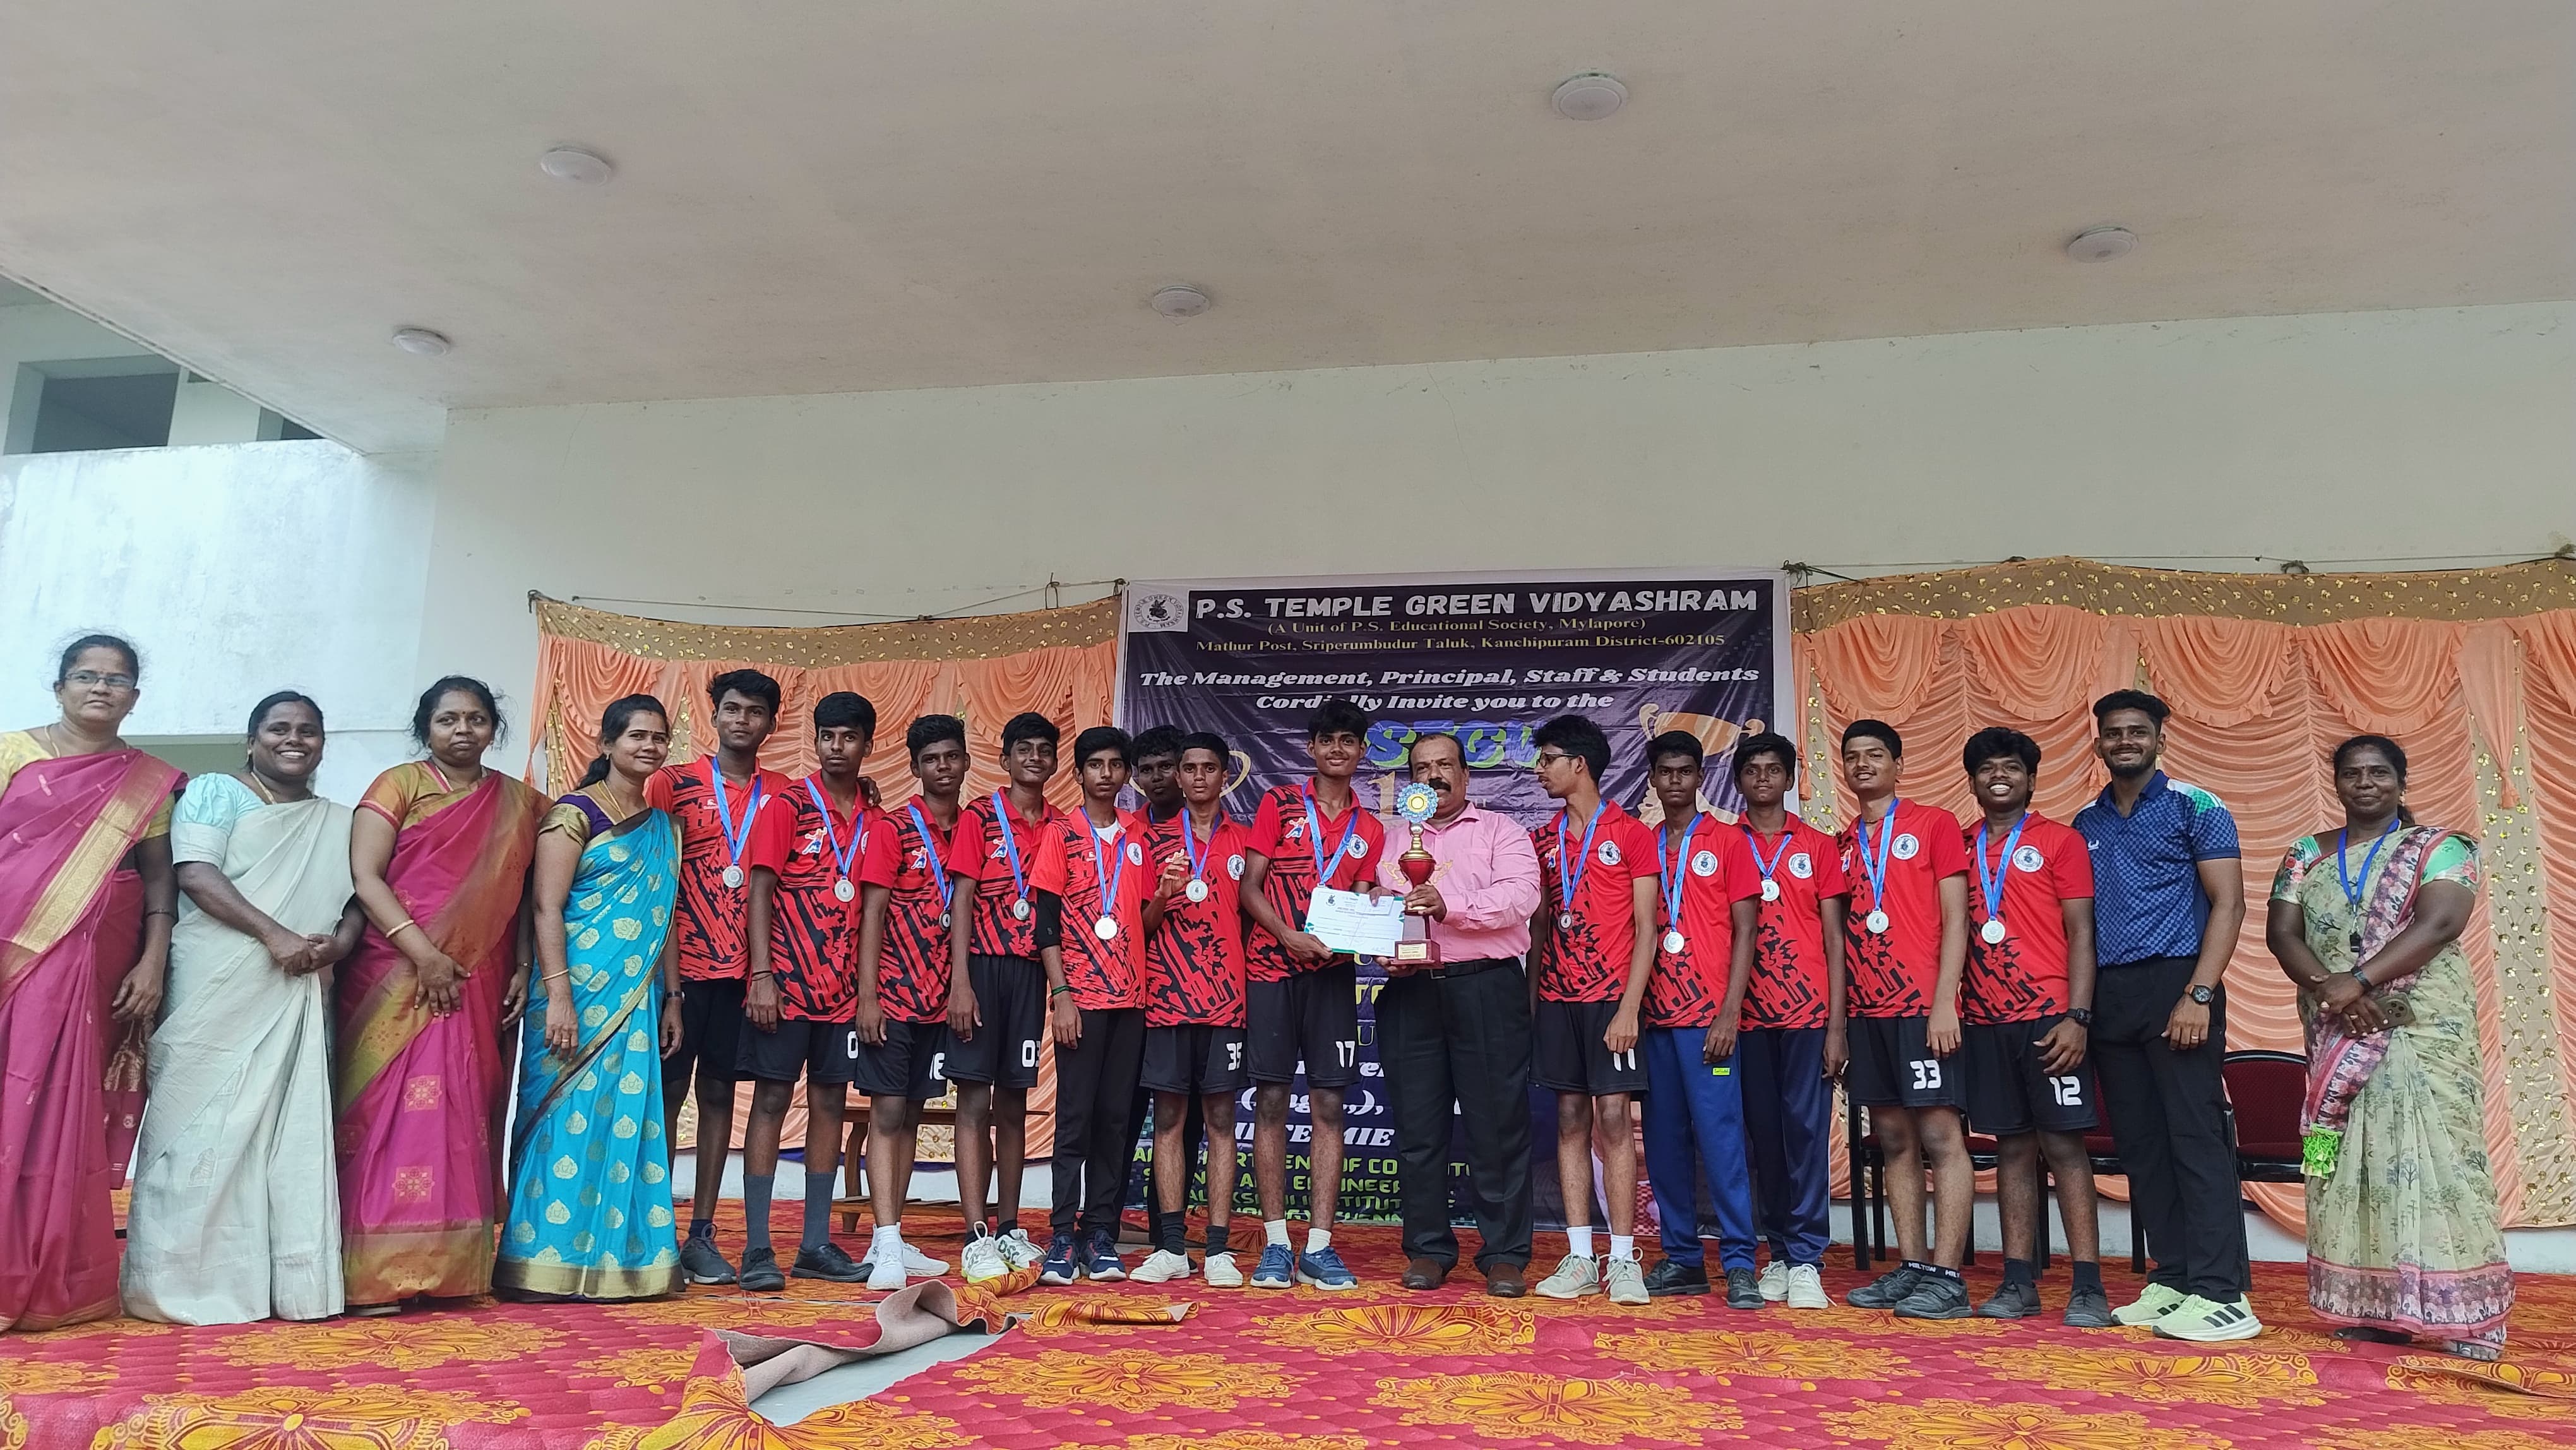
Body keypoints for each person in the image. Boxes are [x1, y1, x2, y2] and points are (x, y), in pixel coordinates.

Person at [2267, 735, 2510, 1360]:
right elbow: (2282, 933)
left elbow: (2441, 923)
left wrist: (2360, 979)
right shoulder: (2306, 853)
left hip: (2422, 1026)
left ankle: (2467, 1318)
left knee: (2442, 1158)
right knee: (2352, 1162)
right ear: (2337, 783)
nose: (2365, 783)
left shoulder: (2443, 847)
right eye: (2353, 773)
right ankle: (2374, 1309)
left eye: (2379, 772)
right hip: (2335, 1025)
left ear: (2402, 783)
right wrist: (2333, 988)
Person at [124, 691, 361, 1325]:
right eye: (279, 728)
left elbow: (359, 897)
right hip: (217, 977)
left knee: (283, 1131)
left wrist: (338, 945)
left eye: (308, 730)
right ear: (252, 740)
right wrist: (274, 935)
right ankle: (176, 1284)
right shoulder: (214, 792)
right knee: (199, 1125)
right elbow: (196, 874)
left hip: (296, 984)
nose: (294, 739)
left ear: (322, 743)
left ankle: (278, 1286)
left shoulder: (336, 819)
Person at [338, 676, 544, 1312]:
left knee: (461, 1111)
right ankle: (374, 1273)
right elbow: (366, 878)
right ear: (425, 727)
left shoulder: (520, 803)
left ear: (493, 729)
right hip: (395, 974)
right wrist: (424, 955)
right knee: (385, 1116)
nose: (463, 730)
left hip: (479, 976)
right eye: (448, 719)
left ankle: (451, 1269)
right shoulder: (397, 786)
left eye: (476, 719)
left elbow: (528, 895)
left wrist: (524, 965)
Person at [0, 637, 182, 1331]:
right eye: (86, 675)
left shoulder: (146, 782)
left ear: (134, 697)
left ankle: (45, 1274)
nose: (101, 687)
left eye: (117, 679)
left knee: (59, 1110)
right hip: (12, 952)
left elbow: (159, 879)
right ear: (59, 687)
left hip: (95, 966)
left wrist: (153, 960)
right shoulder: (12, 753)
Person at [2074, 690, 2257, 1342]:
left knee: (2194, 1137)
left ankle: (2223, 1293)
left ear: (2158, 739)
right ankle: (2175, 1277)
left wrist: (2199, 994)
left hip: (2179, 983)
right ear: (2099, 743)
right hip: (2112, 994)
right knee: (2142, 1145)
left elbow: (2229, 904)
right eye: (2113, 733)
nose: (2125, 741)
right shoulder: (2086, 821)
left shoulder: (2196, 806)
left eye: (2137, 731)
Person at [495, 695, 686, 1302]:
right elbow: (545, 907)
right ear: (607, 744)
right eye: (637, 736)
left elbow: (665, 919)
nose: (650, 746)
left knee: (626, 1121)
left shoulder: (663, 828)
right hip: (573, 996)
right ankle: (538, 1261)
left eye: (659, 737)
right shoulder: (574, 814)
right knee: (560, 1121)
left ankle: (621, 1263)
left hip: (636, 1000)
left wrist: (673, 997)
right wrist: (559, 997)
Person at [737, 692, 898, 1290]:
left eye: (849, 737)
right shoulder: (788, 805)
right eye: (827, 737)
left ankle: (814, 1245)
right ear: (817, 741)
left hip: (842, 995)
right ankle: (757, 1248)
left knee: (830, 1105)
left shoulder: (878, 821)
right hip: (783, 986)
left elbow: (875, 912)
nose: (837, 748)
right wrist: (761, 976)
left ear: (867, 744)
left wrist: (867, 995)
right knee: (771, 1103)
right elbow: (759, 890)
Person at [1373, 731, 1541, 1298]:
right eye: (1422, 768)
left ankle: (1505, 1254)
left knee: (1497, 1127)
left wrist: (1452, 907)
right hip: (1411, 994)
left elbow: (1521, 897)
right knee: (1418, 1130)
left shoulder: (1501, 831)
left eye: (1445, 765)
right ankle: (1427, 1248)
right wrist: (1384, 951)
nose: (1434, 776)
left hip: (1486, 988)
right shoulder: (1392, 840)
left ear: (1466, 776)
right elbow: (1378, 909)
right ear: (1410, 781)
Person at [1954, 728, 2109, 1328]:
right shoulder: (1960, 846)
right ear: (1973, 781)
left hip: (2050, 1018)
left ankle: (2089, 1286)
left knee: (2064, 1146)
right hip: (1984, 1018)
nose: (2000, 776)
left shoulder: (2059, 841)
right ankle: (2018, 1281)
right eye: (1988, 768)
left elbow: (2082, 933)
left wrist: (2078, 1016)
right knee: (2012, 1148)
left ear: (2032, 779)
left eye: (2012, 767)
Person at [644, 669, 792, 1286]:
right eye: (732, 708)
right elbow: (652, 878)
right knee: (665, 1095)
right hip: (677, 972)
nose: (741, 720)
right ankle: (653, 1228)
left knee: (718, 1096)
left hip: (743, 975)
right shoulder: (671, 784)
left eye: (754, 712)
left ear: (770, 724)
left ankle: (701, 1234)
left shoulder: (785, 793)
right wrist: (670, 989)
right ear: (714, 714)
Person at [1237, 699, 1383, 1291]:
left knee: (1329, 1106)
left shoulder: (1370, 828)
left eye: (1348, 741)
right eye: (1327, 740)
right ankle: (1276, 1243)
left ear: (1361, 751)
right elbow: (1250, 889)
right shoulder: (1278, 804)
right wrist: (1287, 935)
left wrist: (1371, 927)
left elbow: (1365, 901)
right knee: (1271, 1102)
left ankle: (1320, 1245)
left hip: (1332, 978)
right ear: (1312, 748)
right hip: (1271, 970)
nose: (1337, 750)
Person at [1836, 719, 1977, 1320]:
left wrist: (1945, 1002)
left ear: (1898, 765)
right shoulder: (1843, 843)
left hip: (1923, 1007)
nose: (1863, 764)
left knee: (1941, 1137)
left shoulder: (1934, 825)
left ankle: (1948, 1277)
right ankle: (1914, 1266)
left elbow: (1958, 917)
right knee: (1894, 1139)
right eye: (1853, 756)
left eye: (1875, 755)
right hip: (1869, 1011)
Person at [1527, 714, 1659, 1307]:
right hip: (1559, 998)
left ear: (1578, 764)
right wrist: (1532, 1005)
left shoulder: (1632, 834)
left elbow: (1648, 928)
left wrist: (1630, 1009)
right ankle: (1581, 1256)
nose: (1540, 770)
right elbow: (1538, 929)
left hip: (1612, 1000)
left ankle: (1624, 1258)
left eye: (1548, 759)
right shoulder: (1542, 839)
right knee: (1569, 1119)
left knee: (1613, 1119)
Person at [1635, 731, 1764, 1307]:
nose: (1675, 782)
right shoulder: (1643, 844)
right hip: (1655, 1019)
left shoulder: (1730, 841)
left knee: (1722, 1142)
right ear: (1652, 779)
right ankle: (1683, 1258)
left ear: (1700, 778)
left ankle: (1739, 1262)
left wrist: (1729, 1013)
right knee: (1664, 1144)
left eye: (1685, 772)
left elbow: (1747, 930)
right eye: (1665, 772)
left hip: (1708, 1020)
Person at [846, 715, 970, 1291]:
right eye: (931, 759)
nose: (943, 767)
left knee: (914, 1115)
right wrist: (868, 996)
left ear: (966, 761)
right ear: (916, 767)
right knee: (888, 1114)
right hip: (893, 995)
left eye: (951, 756)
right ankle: (888, 1238)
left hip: (939, 999)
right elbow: (871, 912)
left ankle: (888, 1238)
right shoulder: (893, 828)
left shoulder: (971, 828)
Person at [945, 711, 1064, 1280]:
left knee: (1014, 1100)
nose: (1034, 758)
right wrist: (960, 981)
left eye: (1044, 750)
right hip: (981, 968)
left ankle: (1011, 1227)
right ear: (1005, 759)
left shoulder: (1061, 825)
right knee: (974, 1099)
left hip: (1030, 972)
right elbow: (962, 898)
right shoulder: (979, 817)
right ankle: (977, 1234)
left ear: (1055, 761)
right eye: (1024, 750)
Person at [1131, 731, 1253, 1288]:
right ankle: (1173, 1247)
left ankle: (1220, 1249)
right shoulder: (1151, 841)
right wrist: (1163, 892)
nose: (1199, 777)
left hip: (1226, 1002)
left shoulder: (1245, 841)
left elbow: (1252, 922)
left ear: (1226, 775)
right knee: (1170, 1122)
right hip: (1167, 1001)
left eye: (1209, 768)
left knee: (1222, 1121)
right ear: (1177, 777)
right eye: (1189, 768)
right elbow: (1140, 927)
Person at [1729, 731, 1846, 1310]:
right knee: (1764, 1139)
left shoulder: (1818, 846)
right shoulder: (1724, 844)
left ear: (1790, 778)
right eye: (1752, 769)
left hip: (1806, 1014)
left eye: (1773, 769)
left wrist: (1837, 1026)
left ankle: (1807, 1259)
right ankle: (1777, 1253)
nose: (1763, 778)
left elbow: (1835, 940)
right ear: (1738, 781)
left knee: (1805, 1135)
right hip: (1744, 1018)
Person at [1036, 727, 1151, 1286]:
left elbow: (1144, 920)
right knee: (1075, 1120)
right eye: (1096, 765)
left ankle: (1100, 1232)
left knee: (1115, 1121)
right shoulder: (1060, 834)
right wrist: (1061, 996)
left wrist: (1167, 896)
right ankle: (1062, 1235)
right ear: (1079, 773)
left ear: (1127, 773)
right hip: (1079, 1001)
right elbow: (1046, 926)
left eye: (1115, 765)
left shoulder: (1139, 835)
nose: (1106, 774)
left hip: (1132, 1000)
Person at [1126, 723, 1194, 1252]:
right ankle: (1101, 1221)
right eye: (1145, 770)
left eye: (1165, 767)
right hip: (1131, 993)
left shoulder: (1212, 830)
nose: (1156, 779)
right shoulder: (1127, 833)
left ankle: (1165, 1228)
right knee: (1122, 1112)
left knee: (1184, 1120)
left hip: (1192, 995)